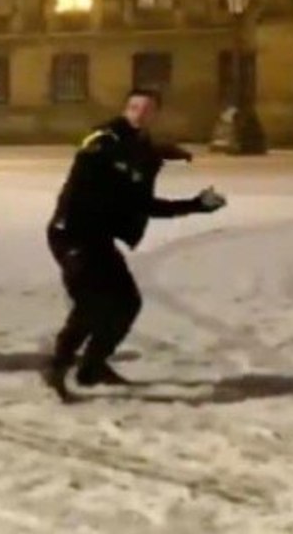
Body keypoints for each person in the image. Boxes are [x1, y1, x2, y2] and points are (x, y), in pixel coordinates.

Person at [43, 88, 227, 402]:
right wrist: (143, 157)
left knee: (127, 303)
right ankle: (57, 369)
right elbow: (94, 156)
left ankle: (92, 367)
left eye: (147, 109)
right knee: (91, 305)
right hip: (72, 232)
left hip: (98, 237)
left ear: (155, 114)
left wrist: (196, 204)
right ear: (126, 109)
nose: (140, 113)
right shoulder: (104, 139)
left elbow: (142, 203)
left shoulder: (137, 148)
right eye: (135, 107)